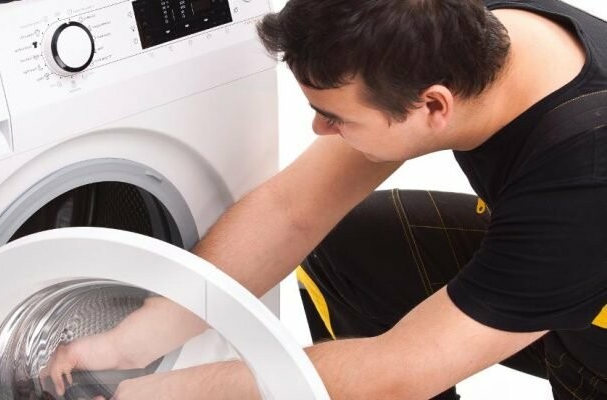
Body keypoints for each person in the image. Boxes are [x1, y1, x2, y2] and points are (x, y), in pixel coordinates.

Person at [41, 0, 607, 398]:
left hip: (594, 313)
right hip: (571, 252)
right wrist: (128, 343)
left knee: (567, 346)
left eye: (335, 116)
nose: (318, 129)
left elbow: (396, 375)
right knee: (353, 250)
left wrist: (166, 393)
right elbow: (291, 211)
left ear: (434, 106)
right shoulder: (463, 32)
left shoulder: (581, 182)